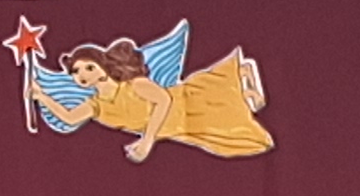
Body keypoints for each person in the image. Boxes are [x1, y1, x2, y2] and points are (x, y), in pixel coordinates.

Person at [16, 21, 272, 161]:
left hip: (187, 106)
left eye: (88, 68)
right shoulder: (97, 105)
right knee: (231, 126)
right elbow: (70, 117)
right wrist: (42, 96)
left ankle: (247, 74)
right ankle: (246, 93)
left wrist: (148, 140)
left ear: (102, 67)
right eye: (76, 72)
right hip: (180, 129)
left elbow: (164, 100)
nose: (81, 76)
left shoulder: (134, 84)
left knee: (222, 100)